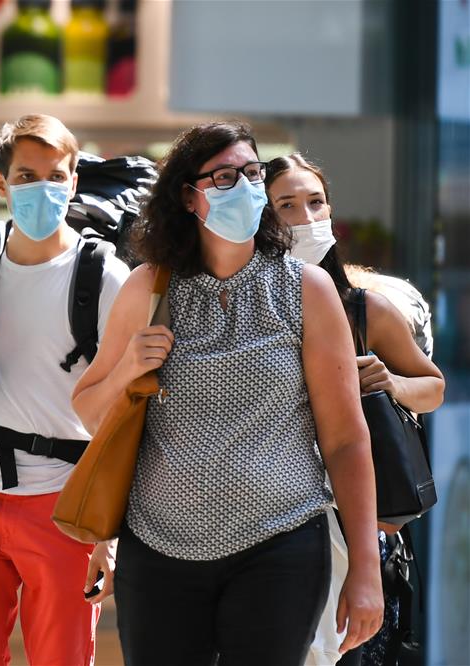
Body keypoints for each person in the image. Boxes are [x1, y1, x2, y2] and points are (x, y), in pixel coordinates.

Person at [72, 121, 385, 666]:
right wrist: (126, 367)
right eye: (223, 177)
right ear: (190, 198)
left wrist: (365, 568)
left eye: (252, 173)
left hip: (281, 543)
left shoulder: (306, 289)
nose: (243, 185)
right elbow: (87, 411)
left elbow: (345, 441)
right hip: (158, 547)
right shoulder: (149, 285)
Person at [0, 113, 130, 665]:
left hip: (65, 504)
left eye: (56, 176)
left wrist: (109, 534)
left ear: (75, 182)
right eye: (25, 176)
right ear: (1, 185)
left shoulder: (105, 277)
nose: (43, 189)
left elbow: (130, 415)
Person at [266, 152, 445, 666]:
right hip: (264, 515)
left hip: (353, 523)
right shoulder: (246, 306)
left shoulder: (365, 306)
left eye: (316, 202)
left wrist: (391, 382)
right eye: (287, 205)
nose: (306, 217)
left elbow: (432, 387)